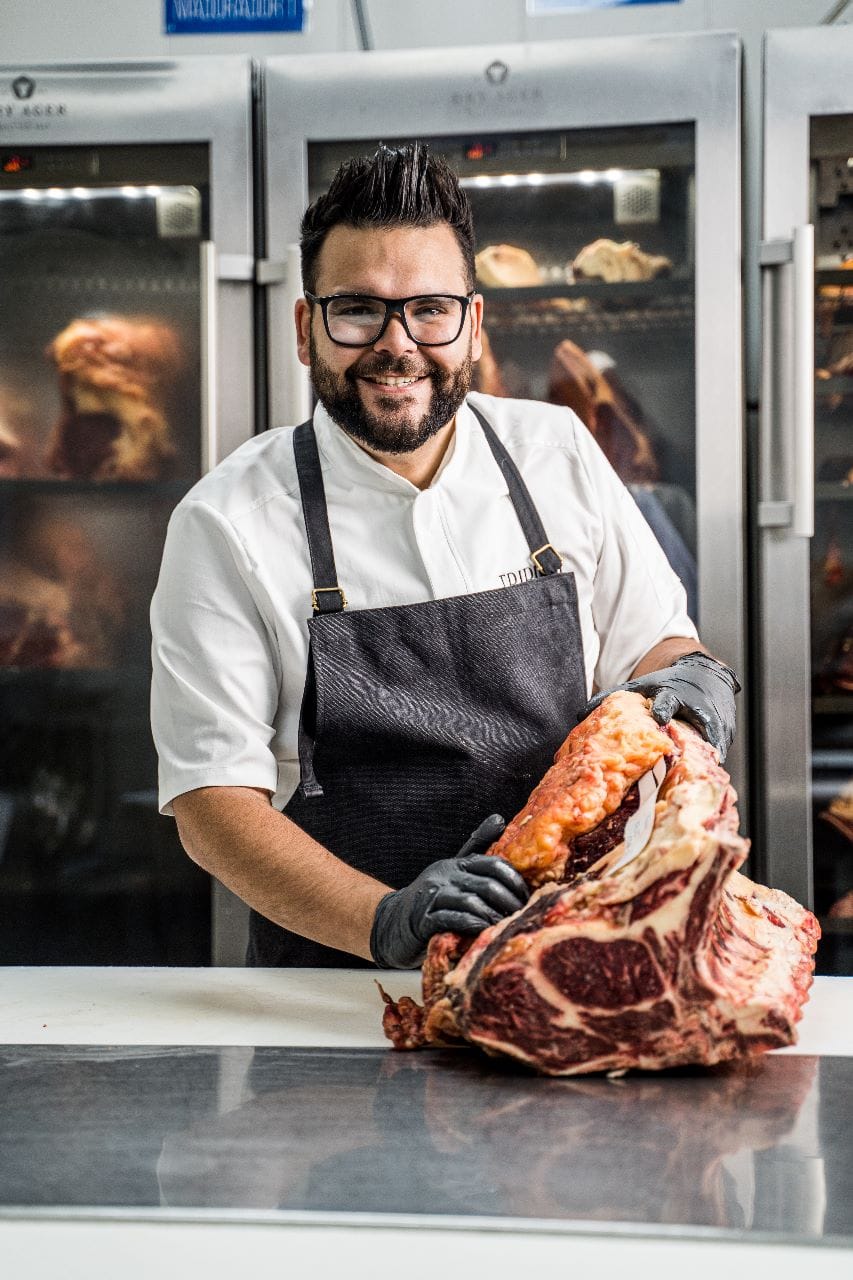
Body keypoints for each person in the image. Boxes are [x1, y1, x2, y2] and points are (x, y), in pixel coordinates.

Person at [150, 142, 739, 971]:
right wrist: (384, 919)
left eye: (430, 310)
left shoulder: (555, 451)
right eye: (357, 310)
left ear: (472, 324)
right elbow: (213, 800)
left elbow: (655, 648)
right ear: (304, 327)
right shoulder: (226, 522)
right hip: (337, 988)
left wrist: (687, 683)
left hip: (567, 961)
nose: (399, 346)